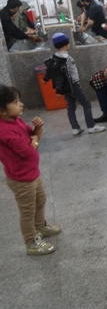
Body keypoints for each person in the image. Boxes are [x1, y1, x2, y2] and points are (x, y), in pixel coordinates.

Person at [0, 85, 61, 256]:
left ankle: (40, 227)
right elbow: (28, 152)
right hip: (21, 180)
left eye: (19, 100)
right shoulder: (4, 131)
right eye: (15, 101)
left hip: (31, 173)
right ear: (1, 110)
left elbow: (34, 135)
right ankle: (31, 243)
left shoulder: (15, 120)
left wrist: (37, 129)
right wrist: (34, 140)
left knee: (40, 200)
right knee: (27, 212)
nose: (20, 104)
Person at [43, 33, 106, 135]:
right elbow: (61, 75)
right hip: (73, 86)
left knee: (71, 107)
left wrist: (46, 79)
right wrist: (58, 90)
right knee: (86, 104)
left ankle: (75, 128)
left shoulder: (54, 57)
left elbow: (50, 70)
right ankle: (91, 126)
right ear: (66, 44)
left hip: (66, 88)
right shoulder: (66, 59)